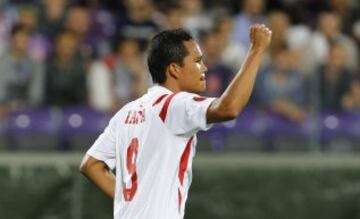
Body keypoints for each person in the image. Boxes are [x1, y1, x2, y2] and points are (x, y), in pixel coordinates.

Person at [80, 25, 271, 219]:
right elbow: (229, 108)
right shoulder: (174, 105)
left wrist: (132, 205)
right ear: (174, 69)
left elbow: (91, 165)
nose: (204, 68)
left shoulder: (125, 113)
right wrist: (256, 50)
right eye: (197, 61)